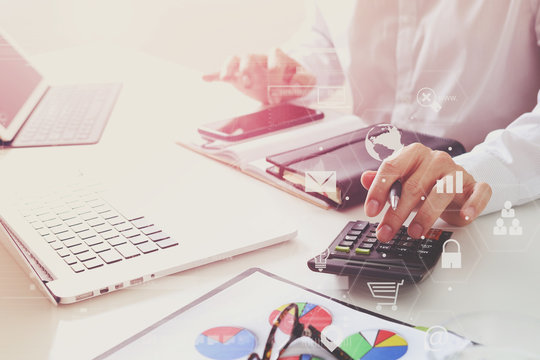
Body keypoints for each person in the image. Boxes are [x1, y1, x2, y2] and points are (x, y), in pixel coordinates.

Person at [203, 1, 540, 242]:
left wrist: (479, 170)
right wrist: (293, 72)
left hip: (484, 218)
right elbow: (325, 34)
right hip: (362, 195)